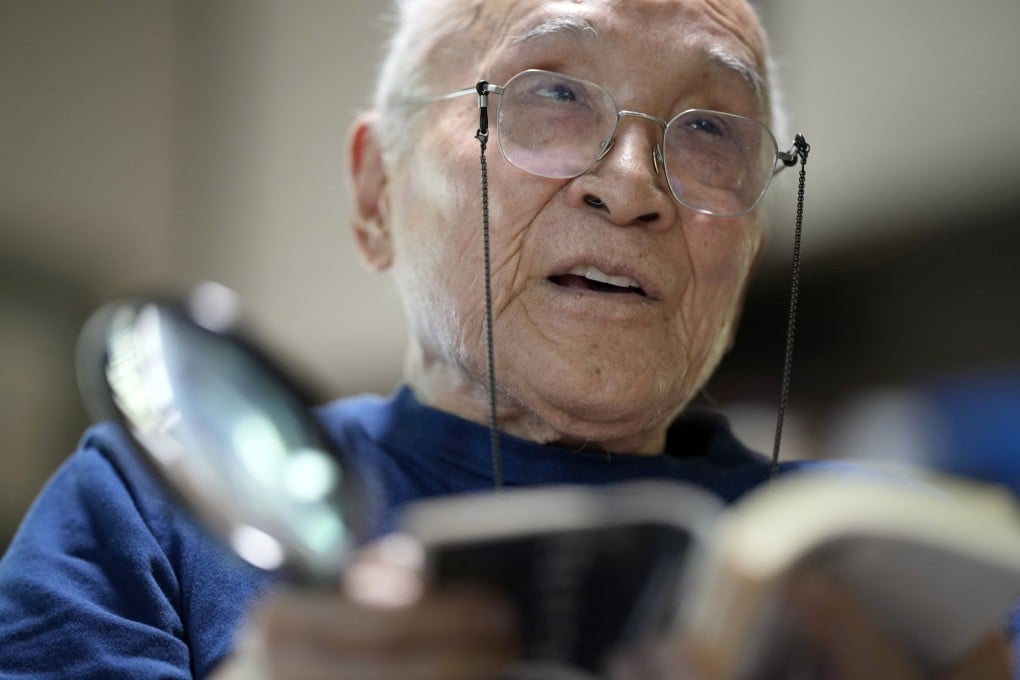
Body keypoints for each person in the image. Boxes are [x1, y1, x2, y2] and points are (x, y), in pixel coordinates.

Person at [0, 0, 1014, 678]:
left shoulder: (908, 570)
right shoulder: (156, 509)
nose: (632, 185)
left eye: (712, 131)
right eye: (554, 94)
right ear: (375, 191)